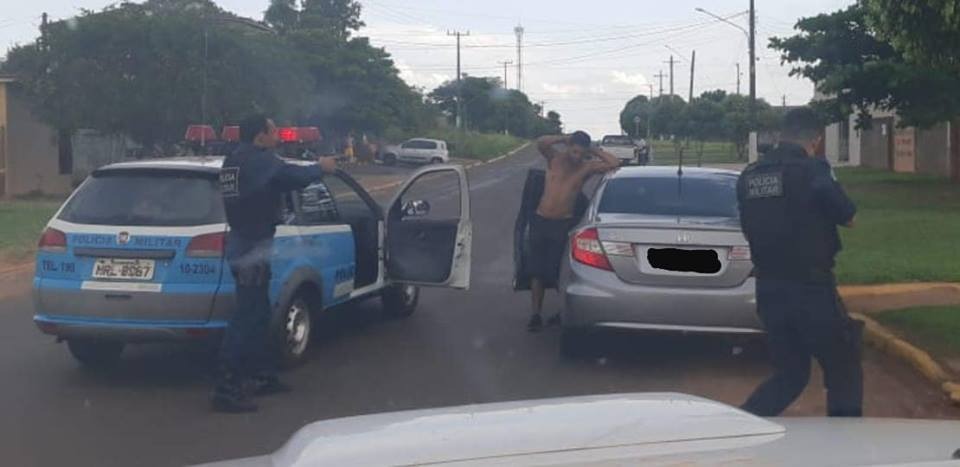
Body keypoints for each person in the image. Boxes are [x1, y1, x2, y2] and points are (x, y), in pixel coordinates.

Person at [737, 107, 863, 417]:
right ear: (816, 139)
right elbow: (848, 216)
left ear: (781, 134)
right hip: (810, 289)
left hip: (768, 290)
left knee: (790, 375)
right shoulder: (813, 170)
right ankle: (845, 446)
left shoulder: (750, 175)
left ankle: (741, 426)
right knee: (843, 369)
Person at [213, 114, 338, 413]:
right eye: (273, 132)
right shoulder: (257, 160)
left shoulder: (233, 160)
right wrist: (321, 168)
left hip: (247, 241)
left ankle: (258, 375)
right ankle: (227, 388)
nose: (277, 137)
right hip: (251, 245)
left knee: (258, 313)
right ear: (260, 136)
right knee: (246, 317)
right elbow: (291, 176)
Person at [527, 131, 620, 332]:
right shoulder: (554, 159)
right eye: (574, 151)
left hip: (562, 224)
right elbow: (540, 141)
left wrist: (593, 149)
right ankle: (535, 313)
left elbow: (614, 163)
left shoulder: (586, 168)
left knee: (558, 271)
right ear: (569, 147)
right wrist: (564, 138)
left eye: (580, 153)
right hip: (540, 220)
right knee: (537, 271)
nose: (576, 156)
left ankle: (562, 312)